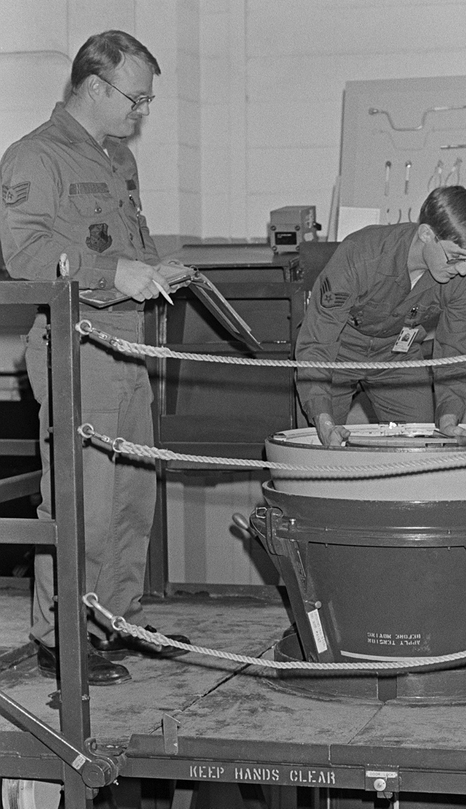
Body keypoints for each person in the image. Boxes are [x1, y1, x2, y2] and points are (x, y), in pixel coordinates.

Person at [0, 30, 191, 685]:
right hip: (79, 347)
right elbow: (24, 257)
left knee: (135, 500)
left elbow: (129, 240)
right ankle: (63, 637)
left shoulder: (118, 159)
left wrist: (155, 267)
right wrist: (116, 273)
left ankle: (117, 621)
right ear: (96, 87)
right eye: (136, 99)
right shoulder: (34, 158)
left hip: (129, 344)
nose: (143, 112)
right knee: (82, 507)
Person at [295, 186, 466, 447]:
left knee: (420, 449)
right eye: (455, 258)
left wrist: (448, 418)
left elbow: (457, 348)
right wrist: (323, 420)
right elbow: (318, 342)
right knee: (318, 447)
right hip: (338, 350)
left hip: (398, 355)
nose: (464, 270)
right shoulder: (360, 254)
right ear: (426, 234)